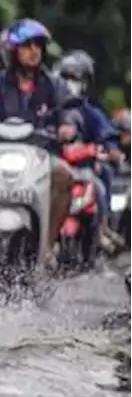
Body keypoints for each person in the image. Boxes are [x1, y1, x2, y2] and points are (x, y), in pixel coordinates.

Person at [0, 18, 76, 260]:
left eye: (38, 45)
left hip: (41, 157)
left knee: (64, 175)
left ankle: (47, 246)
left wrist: (67, 127)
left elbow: (68, 113)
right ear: (13, 50)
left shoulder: (54, 85)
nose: (34, 51)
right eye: (27, 45)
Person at [54, 49, 124, 248]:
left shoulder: (90, 112)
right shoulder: (47, 105)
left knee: (101, 184)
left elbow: (107, 135)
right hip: (49, 164)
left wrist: (110, 149)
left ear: (85, 83)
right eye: (65, 78)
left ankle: (102, 228)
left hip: (82, 169)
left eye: (75, 79)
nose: (69, 83)